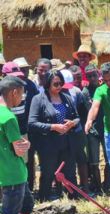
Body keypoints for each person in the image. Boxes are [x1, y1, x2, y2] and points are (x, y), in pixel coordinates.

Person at [28, 70, 79, 201]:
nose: (59, 87)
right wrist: (53, 127)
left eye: (61, 83)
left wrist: (72, 123)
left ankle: (72, 199)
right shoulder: (38, 99)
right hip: (48, 144)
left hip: (66, 142)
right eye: (55, 84)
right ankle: (44, 200)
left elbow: (77, 117)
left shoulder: (66, 97)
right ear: (47, 84)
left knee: (69, 173)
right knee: (48, 173)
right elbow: (32, 123)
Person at [0, 76, 34, 214]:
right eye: (22, 94)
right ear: (14, 92)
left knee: (27, 205)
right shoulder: (8, 117)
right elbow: (19, 149)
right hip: (13, 175)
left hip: (6, 173)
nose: (22, 99)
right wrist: (25, 145)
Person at [11, 58, 39, 190]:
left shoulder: (31, 85)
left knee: (29, 160)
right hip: (16, 129)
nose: (24, 72)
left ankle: (30, 187)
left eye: (26, 69)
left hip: (29, 128)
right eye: (21, 69)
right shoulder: (12, 88)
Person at [82, 64, 110, 194]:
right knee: (94, 161)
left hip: (106, 128)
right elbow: (90, 110)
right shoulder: (85, 92)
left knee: (108, 158)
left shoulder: (105, 88)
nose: (92, 78)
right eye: (89, 76)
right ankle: (98, 187)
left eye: (94, 75)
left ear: (98, 73)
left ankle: (107, 185)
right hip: (93, 130)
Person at [61, 69, 89, 193]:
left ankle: (85, 188)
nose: (66, 89)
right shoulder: (52, 93)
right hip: (60, 134)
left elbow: (83, 114)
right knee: (66, 162)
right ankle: (70, 189)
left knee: (81, 159)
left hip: (77, 133)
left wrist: (75, 124)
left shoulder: (76, 92)